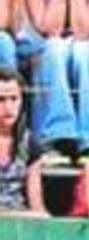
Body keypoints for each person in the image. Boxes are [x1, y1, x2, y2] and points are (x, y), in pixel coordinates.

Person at [14, 0, 89, 157]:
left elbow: (85, 32)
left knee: (82, 51)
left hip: (88, 51)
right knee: (55, 47)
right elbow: (51, 29)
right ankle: (57, 137)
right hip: (42, 47)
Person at [0, 69, 48, 216]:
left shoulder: (29, 144)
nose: (8, 107)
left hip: (18, 221)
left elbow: (36, 204)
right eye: (1, 100)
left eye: (14, 99)